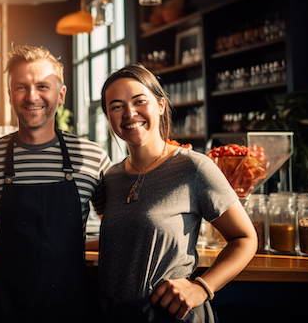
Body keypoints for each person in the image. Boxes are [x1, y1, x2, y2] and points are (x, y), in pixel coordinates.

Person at [96, 63, 257, 322]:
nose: (129, 113)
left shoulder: (193, 166)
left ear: (160, 105)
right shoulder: (111, 177)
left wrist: (202, 288)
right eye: (116, 106)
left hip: (168, 316)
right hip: (114, 315)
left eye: (139, 101)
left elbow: (245, 238)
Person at [0, 45, 111, 322]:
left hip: (70, 305)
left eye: (42, 86)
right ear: (10, 95)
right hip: (3, 305)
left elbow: (116, 229)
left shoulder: (92, 157)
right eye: (21, 87)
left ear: (61, 95)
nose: (31, 96)